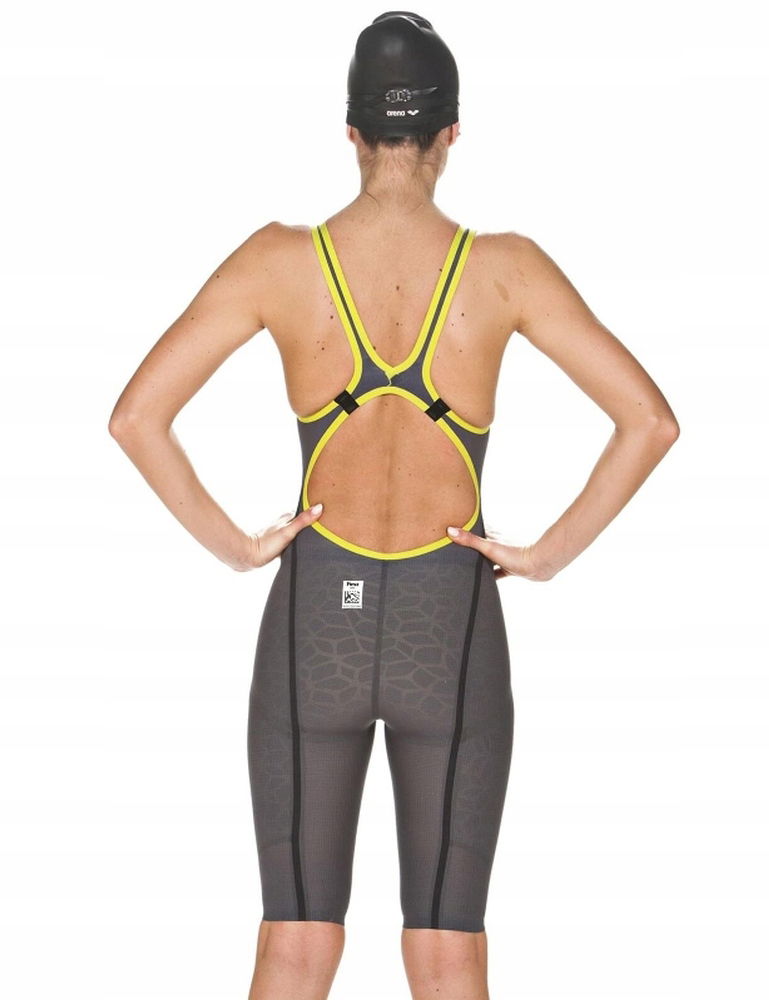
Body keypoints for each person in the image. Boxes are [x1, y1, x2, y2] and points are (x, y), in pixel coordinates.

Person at [109, 11, 680, 1000]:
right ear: (451, 134)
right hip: (447, 621)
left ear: (352, 134)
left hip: (314, 625)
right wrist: (543, 556)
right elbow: (651, 422)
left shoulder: (276, 262)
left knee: (294, 942)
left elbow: (135, 418)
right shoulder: (507, 270)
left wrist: (239, 548)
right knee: (448, 948)